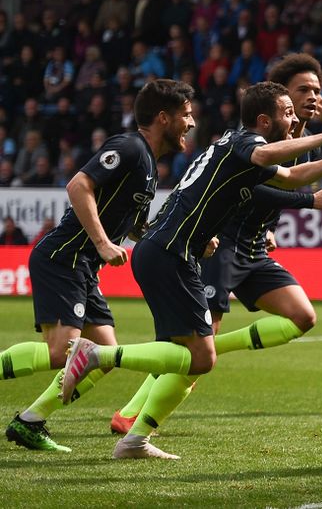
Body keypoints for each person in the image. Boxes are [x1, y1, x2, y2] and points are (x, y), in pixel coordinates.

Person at [59, 82, 322, 459]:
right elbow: (271, 160)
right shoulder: (244, 143)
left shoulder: (241, 148)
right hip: (169, 252)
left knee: (196, 357)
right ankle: (99, 359)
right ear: (264, 120)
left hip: (173, 252)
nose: (294, 118)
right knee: (199, 356)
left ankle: (133, 438)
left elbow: (293, 177)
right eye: (287, 112)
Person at [2, 80, 195, 453]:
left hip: (84, 266)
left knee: (102, 353)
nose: (190, 123)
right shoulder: (129, 147)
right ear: (162, 118)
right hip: (65, 256)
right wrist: (103, 243)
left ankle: (31, 420)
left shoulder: (150, 167)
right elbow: (78, 185)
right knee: (65, 353)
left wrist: (188, 240)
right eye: (185, 115)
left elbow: (137, 227)